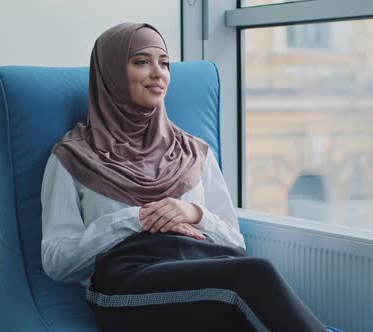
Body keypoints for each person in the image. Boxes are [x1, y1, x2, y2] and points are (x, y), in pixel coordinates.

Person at [40, 22, 327, 332]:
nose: (158, 72)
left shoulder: (194, 152)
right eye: (140, 61)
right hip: (126, 284)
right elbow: (57, 260)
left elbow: (235, 242)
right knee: (254, 274)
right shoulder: (73, 156)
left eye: (164, 63)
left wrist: (193, 213)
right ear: (110, 73)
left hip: (205, 273)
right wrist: (136, 219)